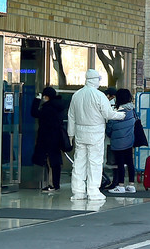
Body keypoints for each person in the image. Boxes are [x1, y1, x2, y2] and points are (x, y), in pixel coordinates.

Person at [68, 69, 125, 201]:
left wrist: (71, 134)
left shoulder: (77, 95)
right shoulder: (99, 95)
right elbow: (108, 114)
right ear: (94, 80)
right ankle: (93, 191)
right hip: (95, 132)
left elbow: (71, 116)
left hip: (80, 132)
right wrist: (121, 115)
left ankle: (78, 191)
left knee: (79, 162)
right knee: (95, 162)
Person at [31, 86, 66, 192]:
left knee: (50, 161)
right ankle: (56, 184)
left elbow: (34, 113)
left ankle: (51, 184)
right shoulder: (58, 106)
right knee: (55, 161)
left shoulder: (48, 107)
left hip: (47, 138)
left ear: (47, 96)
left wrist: (36, 100)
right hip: (56, 137)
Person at [106, 88, 138, 194]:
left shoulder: (117, 112)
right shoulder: (132, 111)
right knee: (130, 162)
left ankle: (120, 185)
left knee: (120, 163)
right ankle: (131, 185)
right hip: (129, 140)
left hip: (118, 142)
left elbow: (109, 128)